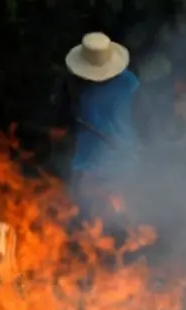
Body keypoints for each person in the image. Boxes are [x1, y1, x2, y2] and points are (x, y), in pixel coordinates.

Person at [62, 32, 142, 224]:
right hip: (121, 163)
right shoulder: (131, 83)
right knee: (114, 224)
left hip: (98, 167)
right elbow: (145, 121)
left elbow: (65, 122)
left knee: (89, 223)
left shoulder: (77, 87)